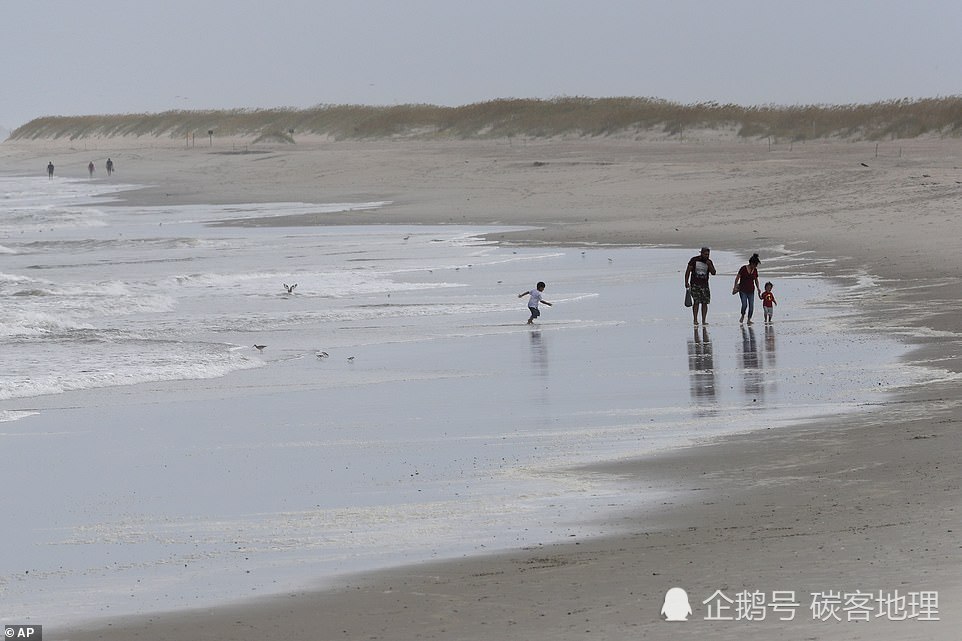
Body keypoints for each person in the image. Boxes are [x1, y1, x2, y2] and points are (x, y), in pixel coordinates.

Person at [684, 247, 716, 325]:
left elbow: (714, 272)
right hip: (695, 284)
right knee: (696, 302)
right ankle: (695, 320)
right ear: (701, 253)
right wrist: (686, 282)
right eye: (705, 254)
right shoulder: (694, 260)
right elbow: (688, 271)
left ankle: (704, 320)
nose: (707, 256)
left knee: (705, 303)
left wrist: (709, 265)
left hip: (705, 285)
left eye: (708, 254)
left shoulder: (709, 262)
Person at [732, 253, 761, 324]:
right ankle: (742, 315)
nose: (756, 266)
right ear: (751, 263)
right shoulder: (743, 268)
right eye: (755, 264)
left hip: (751, 290)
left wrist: (758, 288)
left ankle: (749, 319)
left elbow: (756, 280)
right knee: (744, 304)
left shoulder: (755, 270)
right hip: (743, 290)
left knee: (751, 306)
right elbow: (737, 277)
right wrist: (735, 286)